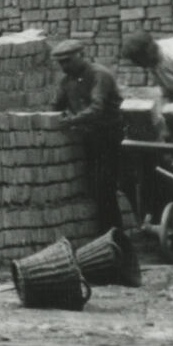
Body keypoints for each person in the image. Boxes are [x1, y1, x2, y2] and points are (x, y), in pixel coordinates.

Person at [50, 37, 127, 239]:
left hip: (111, 136)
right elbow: (56, 106)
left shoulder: (99, 75)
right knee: (95, 187)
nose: (64, 66)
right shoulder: (67, 81)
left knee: (106, 186)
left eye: (68, 61)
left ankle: (114, 236)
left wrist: (72, 120)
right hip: (90, 138)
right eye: (61, 62)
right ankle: (107, 235)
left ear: (81, 55)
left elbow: (97, 108)